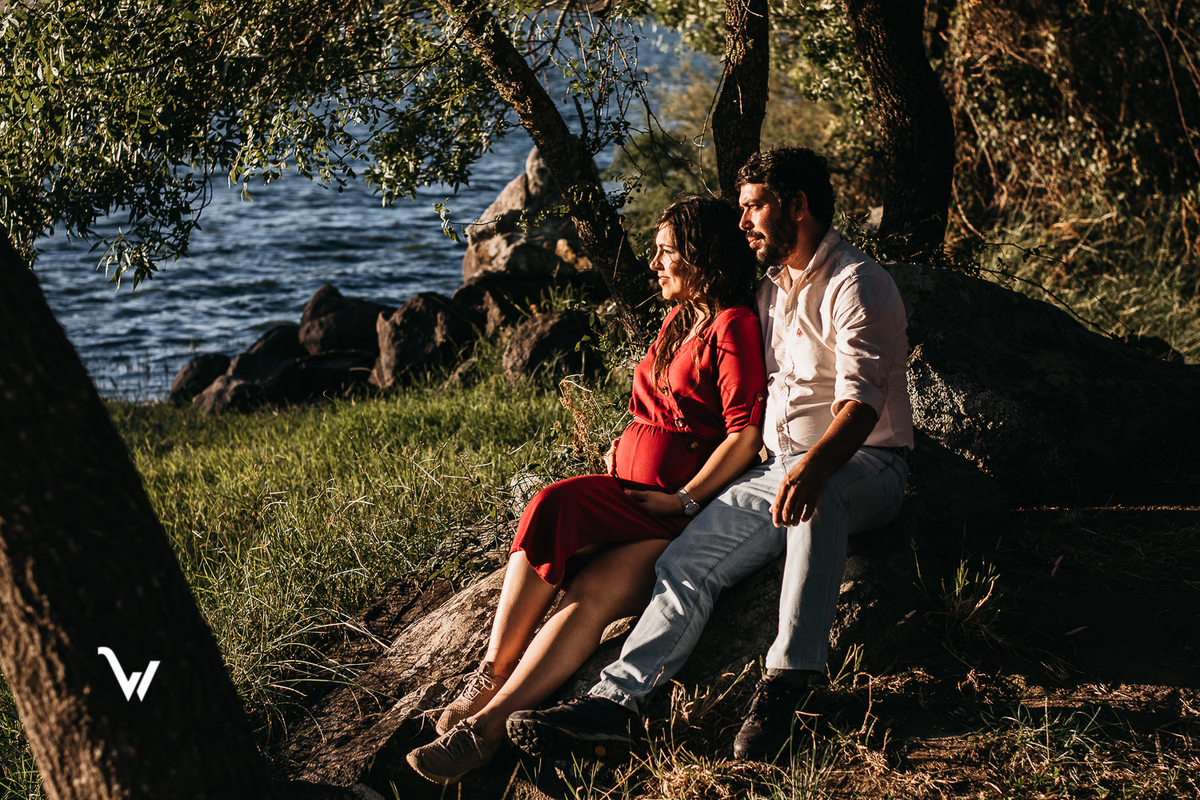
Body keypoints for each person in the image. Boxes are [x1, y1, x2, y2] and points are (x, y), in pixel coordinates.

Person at [505, 146, 914, 763]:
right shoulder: (769, 291)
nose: (743, 221)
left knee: (818, 496)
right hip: (777, 470)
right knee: (685, 562)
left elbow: (860, 404)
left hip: (864, 466)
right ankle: (615, 706)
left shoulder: (857, 284)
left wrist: (813, 467)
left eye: (754, 207)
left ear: (797, 206)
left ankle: (790, 683)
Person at [405, 195, 767, 785]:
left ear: (702, 256)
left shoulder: (734, 325)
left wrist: (684, 499)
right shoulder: (682, 319)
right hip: (635, 500)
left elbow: (745, 435)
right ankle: (489, 683)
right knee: (563, 538)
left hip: (672, 514)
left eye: (665, 252)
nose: (654, 263)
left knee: (575, 561)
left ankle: (486, 726)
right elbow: (656, 406)